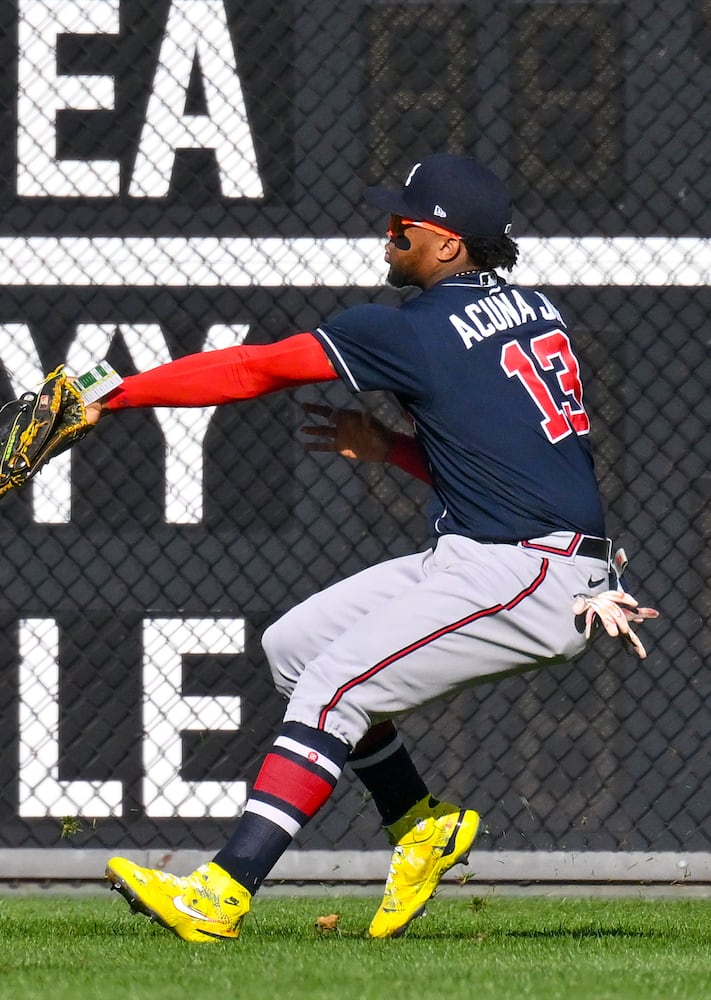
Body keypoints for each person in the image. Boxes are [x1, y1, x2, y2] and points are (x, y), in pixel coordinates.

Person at [93, 154, 655, 941]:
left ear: (448, 245)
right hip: (504, 551)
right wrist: (391, 448)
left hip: (531, 570)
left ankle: (220, 891)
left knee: (331, 687)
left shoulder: (406, 331)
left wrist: (109, 397)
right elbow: (504, 463)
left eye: (403, 224)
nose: (386, 233)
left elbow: (253, 370)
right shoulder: (531, 307)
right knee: (294, 648)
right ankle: (418, 825)